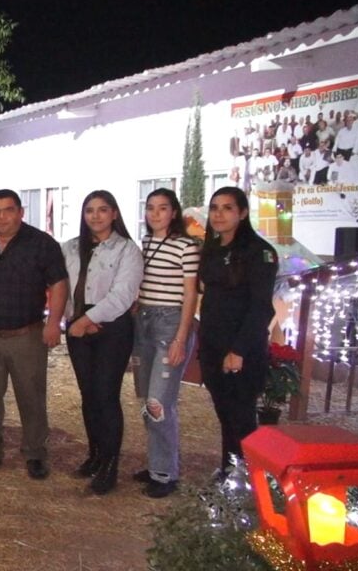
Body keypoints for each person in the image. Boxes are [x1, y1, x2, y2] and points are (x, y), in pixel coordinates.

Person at [0, 189, 68, 478]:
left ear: (20, 212)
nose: (2, 216)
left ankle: (35, 453)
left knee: (31, 397)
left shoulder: (42, 244)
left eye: (8, 210)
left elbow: (58, 284)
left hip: (27, 335)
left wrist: (54, 322)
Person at [63, 191, 142, 495]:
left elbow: (123, 294)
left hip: (112, 328)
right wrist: (73, 321)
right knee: (88, 394)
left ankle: (111, 465)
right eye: (89, 211)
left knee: (106, 395)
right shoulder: (69, 248)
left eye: (102, 210)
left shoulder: (126, 250)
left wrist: (87, 320)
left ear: (114, 214)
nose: (95, 216)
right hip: (78, 329)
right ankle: (95, 455)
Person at [198, 187, 278, 476]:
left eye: (227, 208)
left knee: (242, 418)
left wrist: (239, 350)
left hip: (241, 350)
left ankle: (248, 482)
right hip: (212, 346)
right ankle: (229, 474)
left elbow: (261, 308)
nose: (219, 214)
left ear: (243, 213)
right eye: (214, 208)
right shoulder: (212, 250)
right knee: (225, 414)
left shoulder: (260, 253)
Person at [131, 189, 200, 498]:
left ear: (174, 212)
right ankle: (158, 463)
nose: (155, 214)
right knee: (147, 401)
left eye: (162, 208)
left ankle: (166, 473)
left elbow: (190, 295)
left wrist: (180, 338)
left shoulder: (187, 246)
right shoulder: (144, 244)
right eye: (150, 208)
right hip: (143, 322)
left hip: (171, 323)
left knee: (160, 403)